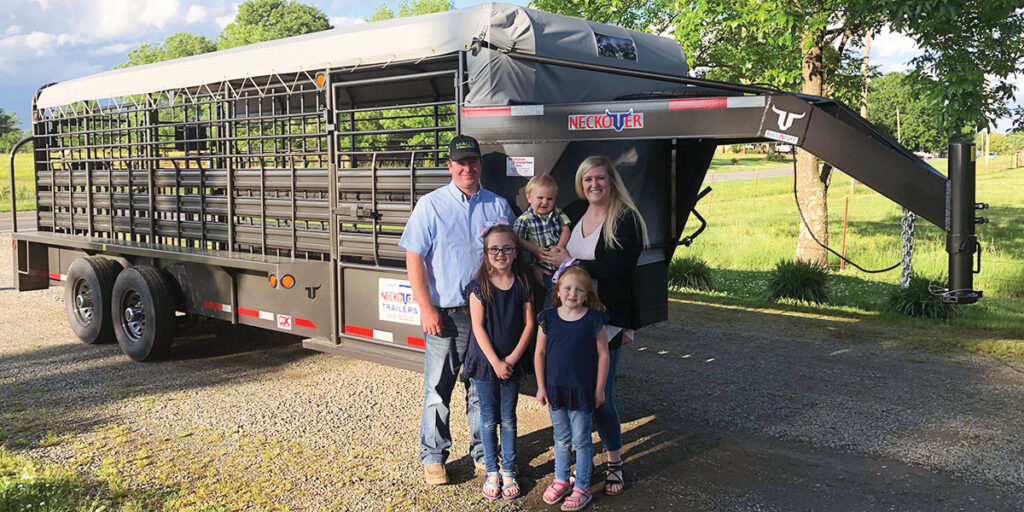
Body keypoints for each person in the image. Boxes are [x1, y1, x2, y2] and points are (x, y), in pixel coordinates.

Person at [400, 135, 514, 485]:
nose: (468, 168)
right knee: (438, 388)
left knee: (481, 388)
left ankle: (483, 454)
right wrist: (425, 308)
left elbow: (512, 251)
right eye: (460, 163)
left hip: (488, 314)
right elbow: (414, 258)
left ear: (481, 165)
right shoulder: (430, 205)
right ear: (450, 167)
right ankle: (433, 456)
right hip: (446, 314)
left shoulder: (498, 206)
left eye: (473, 162)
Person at [539, 155, 649, 496]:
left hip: (604, 319)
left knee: (601, 397)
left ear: (611, 180)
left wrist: (569, 260)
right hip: (569, 319)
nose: (594, 185)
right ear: (580, 184)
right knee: (570, 393)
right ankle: (576, 468)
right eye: (587, 180)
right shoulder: (573, 210)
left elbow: (616, 266)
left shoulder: (626, 218)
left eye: (600, 178)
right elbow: (543, 229)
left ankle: (614, 462)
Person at [462, 222, 535, 500]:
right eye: (494, 249)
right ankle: (491, 469)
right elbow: (478, 328)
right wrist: (496, 362)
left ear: (516, 252)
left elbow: (529, 325)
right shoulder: (478, 287)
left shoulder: (524, 283)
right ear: (486, 252)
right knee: (489, 418)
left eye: (507, 248)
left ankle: (509, 471)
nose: (500, 254)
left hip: (512, 363)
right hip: (485, 363)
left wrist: (512, 360)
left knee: (509, 418)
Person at [535, 262, 610, 512]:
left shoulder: (593, 320)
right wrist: (540, 386)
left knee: (582, 439)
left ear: (587, 295)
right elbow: (540, 353)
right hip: (555, 389)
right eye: (567, 288)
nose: (572, 294)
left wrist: (599, 389)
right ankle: (561, 478)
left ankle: (582, 486)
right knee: (561, 438)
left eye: (579, 290)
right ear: (557, 291)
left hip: (582, 391)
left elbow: (603, 355)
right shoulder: (548, 318)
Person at [512, 174, 571, 307]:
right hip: (541, 264)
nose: (545, 202)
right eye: (540, 198)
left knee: (565, 287)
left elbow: (565, 230)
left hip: (560, 263)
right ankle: (547, 316)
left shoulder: (557, 214)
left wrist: (560, 247)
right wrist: (535, 249)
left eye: (549, 199)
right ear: (529, 198)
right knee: (552, 288)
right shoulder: (525, 219)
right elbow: (518, 239)